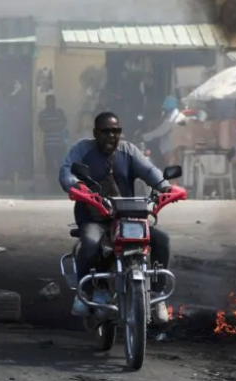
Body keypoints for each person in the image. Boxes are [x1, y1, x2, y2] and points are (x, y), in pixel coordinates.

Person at [58, 112, 173, 324]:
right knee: (91, 243)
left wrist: (164, 185)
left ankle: (157, 294)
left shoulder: (128, 151)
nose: (111, 136)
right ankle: (88, 291)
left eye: (116, 131)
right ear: (95, 133)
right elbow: (66, 170)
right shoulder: (83, 149)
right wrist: (74, 184)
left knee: (162, 240)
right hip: (94, 217)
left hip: (126, 215)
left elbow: (148, 170)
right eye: (105, 131)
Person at [142, 96, 186, 167]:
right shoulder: (174, 115)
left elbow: (161, 130)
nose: (164, 110)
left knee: (171, 167)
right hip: (171, 148)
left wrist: (146, 136)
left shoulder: (173, 117)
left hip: (171, 148)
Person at [38, 95, 69, 190]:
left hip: (59, 144)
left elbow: (63, 124)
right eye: (49, 102)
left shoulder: (60, 113)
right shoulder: (42, 114)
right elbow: (43, 127)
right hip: (48, 145)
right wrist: (55, 126)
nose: (51, 104)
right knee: (50, 167)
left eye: (52, 102)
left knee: (60, 165)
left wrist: (51, 126)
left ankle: (60, 185)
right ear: (46, 103)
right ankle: (52, 186)